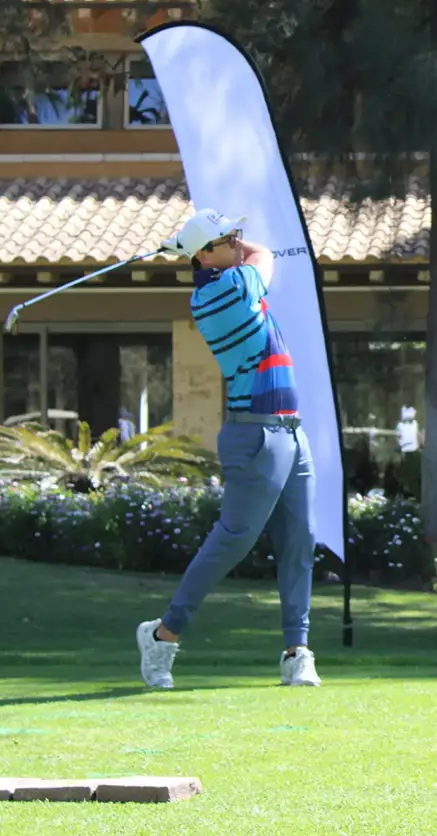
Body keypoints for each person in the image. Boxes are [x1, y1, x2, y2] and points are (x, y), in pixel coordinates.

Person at [135, 208, 320, 689]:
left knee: (300, 539)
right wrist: (194, 243)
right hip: (255, 434)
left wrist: (197, 241)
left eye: (236, 235)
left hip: (290, 433)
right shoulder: (220, 292)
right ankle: (162, 635)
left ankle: (296, 651)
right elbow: (265, 254)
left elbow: (249, 253)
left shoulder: (228, 277)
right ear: (203, 257)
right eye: (226, 239)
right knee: (233, 540)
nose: (239, 243)